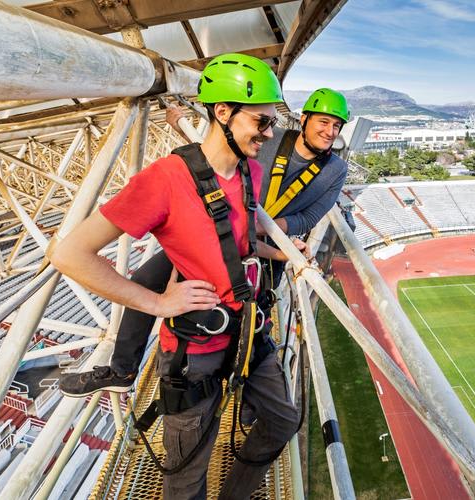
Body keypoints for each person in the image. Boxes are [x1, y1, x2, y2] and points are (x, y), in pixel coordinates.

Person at [49, 53, 305, 499]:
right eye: (262, 122)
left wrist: (286, 254)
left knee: (283, 420)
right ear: (223, 112)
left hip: (246, 332)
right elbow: (70, 253)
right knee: (187, 474)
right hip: (196, 350)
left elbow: (237, 245)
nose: (268, 135)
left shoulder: (250, 170)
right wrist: (157, 304)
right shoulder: (165, 180)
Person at [59, 87, 351, 396]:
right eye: (323, 122)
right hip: (219, 226)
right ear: (304, 119)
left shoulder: (334, 170)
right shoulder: (270, 136)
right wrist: (184, 132)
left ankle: (251, 392)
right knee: (147, 278)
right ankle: (124, 369)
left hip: (262, 239)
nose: (329, 131)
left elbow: (310, 216)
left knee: (255, 314)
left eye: (336, 126)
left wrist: (258, 228)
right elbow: (219, 159)